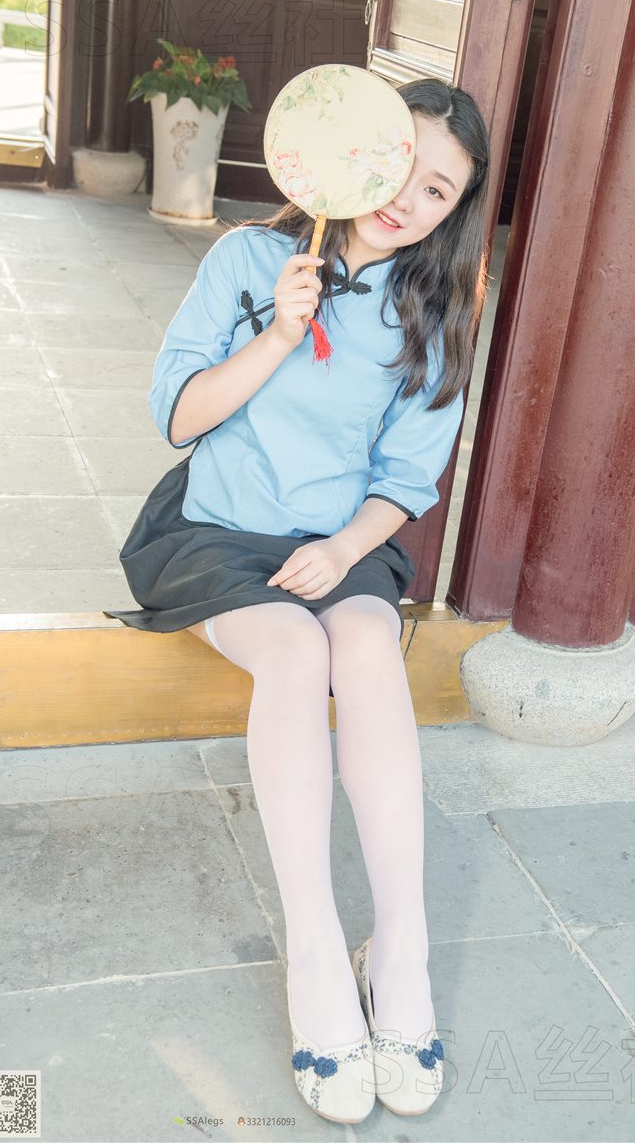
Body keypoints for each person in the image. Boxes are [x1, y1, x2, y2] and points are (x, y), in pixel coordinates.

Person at [104, 77, 491, 1123]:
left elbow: (406, 476)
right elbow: (177, 416)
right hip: (217, 533)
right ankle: (315, 950)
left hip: (339, 541)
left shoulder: (435, 312)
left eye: (439, 189)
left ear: (455, 211)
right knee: (292, 652)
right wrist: (276, 333)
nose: (407, 198)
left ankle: (399, 948)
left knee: (361, 643)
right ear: (353, 152)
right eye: (398, 165)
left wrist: (343, 549)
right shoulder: (246, 259)